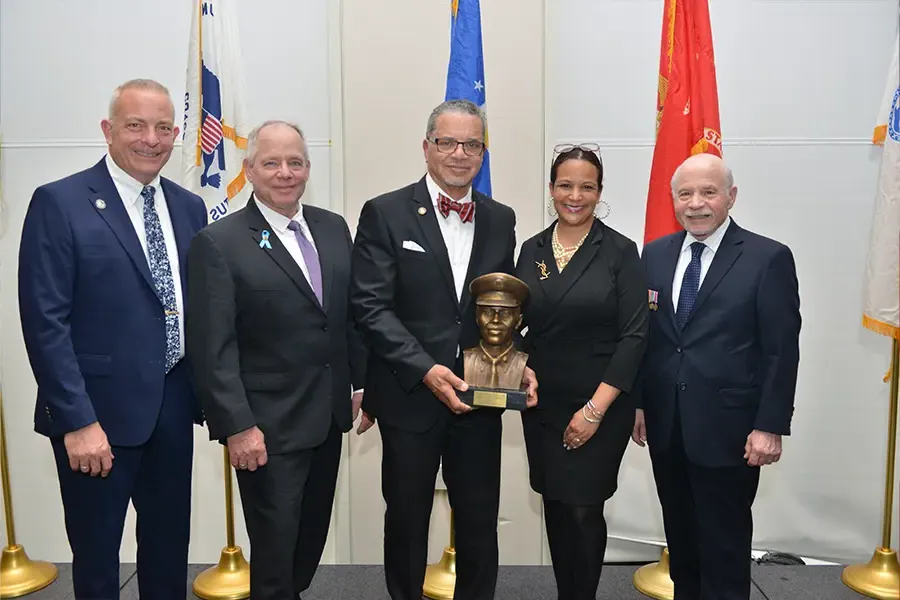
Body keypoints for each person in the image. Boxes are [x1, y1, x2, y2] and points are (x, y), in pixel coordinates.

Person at [17, 78, 207, 599]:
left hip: (172, 401)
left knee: (169, 548)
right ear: (108, 130)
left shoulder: (190, 208)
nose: (152, 139)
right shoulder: (60, 202)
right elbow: (44, 322)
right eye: (136, 126)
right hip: (95, 416)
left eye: (164, 128)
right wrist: (77, 421)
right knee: (98, 558)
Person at [350, 99, 537, 600]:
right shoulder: (384, 212)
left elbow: (503, 309)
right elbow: (370, 307)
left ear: (483, 151)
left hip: (481, 397)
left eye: (472, 144)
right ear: (427, 146)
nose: (460, 153)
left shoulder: (501, 218)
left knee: (479, 521)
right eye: (448, 142)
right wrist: (426, 369)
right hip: (410, 395)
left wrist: (519, 362)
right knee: (407, 518)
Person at [185, 120, 367, 600]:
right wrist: (237, 426)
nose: (285, 173)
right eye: (271, 162)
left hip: (328, 418)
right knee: (274, 555)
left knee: (308, 545)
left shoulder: (332, 227)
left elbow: (345, 319)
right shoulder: (220, 242)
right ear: (249, 170)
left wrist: (360, 386)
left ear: (308, 168)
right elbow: (212, 347)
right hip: (266, 430)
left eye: (295, 162)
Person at [633, 153, 801, 600]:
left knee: (724, 547)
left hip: (732, 431)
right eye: (685, 193)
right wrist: (640, 402)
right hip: (668, 427)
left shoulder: (767, 258)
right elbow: (647, 339)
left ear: (731, 196)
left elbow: (781, 351)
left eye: (708, 192)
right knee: (683, 543)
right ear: (673, 200)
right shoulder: (655, 254)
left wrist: (769, 425)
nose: (696, 204)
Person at [514, 143, 649, 600]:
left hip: (602, 400)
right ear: (552, 189)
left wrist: (594, 411)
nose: (575, 195)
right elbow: (515, 325)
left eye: (586, 187)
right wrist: (518, 367)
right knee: (554, 503)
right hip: (542, 401)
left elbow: (635, 335)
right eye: (566, 185)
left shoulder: (619, 251)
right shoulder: (530, 249)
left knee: (583, 508)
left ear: (599, 192)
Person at [462, 272, 531, 391]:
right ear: (477, 318)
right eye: (488, 312)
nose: (495, 320)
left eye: (505, 313)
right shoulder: (467, 359)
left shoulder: (521, 362)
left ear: (519, 321)